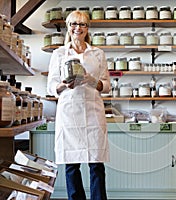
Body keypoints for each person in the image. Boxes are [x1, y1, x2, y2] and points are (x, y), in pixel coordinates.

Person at [47, 10, 110, 200]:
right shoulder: (59, 53)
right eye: (74, 24)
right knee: (71, 164)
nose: (78, 28)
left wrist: (92, 80)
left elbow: (106, 85)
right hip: (70, 112)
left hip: (93, 111)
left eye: (82, 24)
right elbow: (51, 86)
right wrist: (63, 85)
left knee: (96, 163)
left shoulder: (98, 54)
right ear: (68, 27)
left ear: (87, 28)